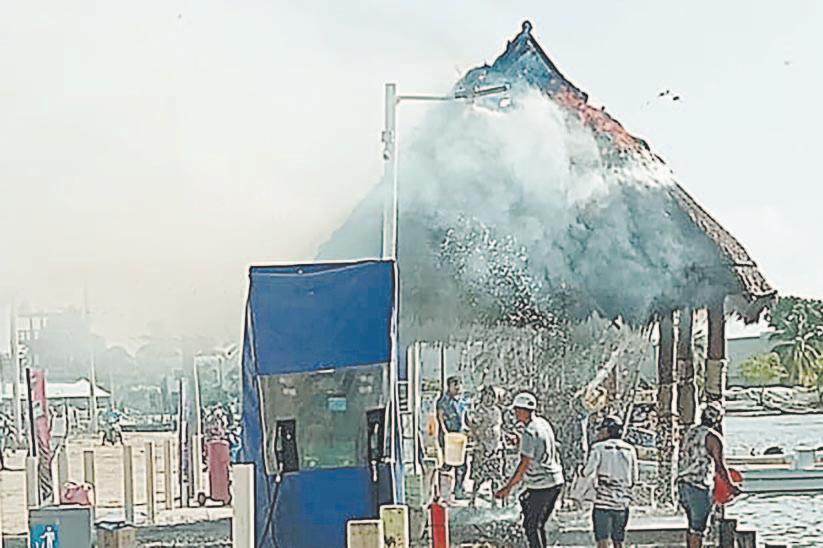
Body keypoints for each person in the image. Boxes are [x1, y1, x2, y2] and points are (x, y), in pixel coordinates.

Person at [494, 392, 565, 548]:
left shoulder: (529, 432)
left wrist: (507, 488)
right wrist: (520, 442)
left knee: (531, 526)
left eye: (516, 410)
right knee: (537, 524)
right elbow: (538, 447)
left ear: (523, 410)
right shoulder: (542, 423)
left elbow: (524, 464)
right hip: (555, 481)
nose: (515, 413)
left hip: (542, 484)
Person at [677, 402, 739, 548]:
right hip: (699, 486)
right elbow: (720, 466)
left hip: (683, 484)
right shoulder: (713, 438)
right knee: (698, 530)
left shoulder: (690, 432)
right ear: (718, 419)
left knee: (692, 527)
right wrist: (731, 486)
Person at [581, 415, 638, 548]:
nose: (599, 433)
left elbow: (587, 472)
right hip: (622, 502)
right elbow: (634, 478)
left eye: (602, 430)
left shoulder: (598, 448)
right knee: (619, 541)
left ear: (608, 431)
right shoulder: (630, 449)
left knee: (602, 541)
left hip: (603, 502)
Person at [465, 385, 504, 507]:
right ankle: (473, 499)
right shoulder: (479, 411)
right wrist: (483, 428)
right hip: (482, 447)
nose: (489, 399)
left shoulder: (497, 411)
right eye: (487, 395)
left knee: (495, 476)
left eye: (492, 396)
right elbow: (474, 429)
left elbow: (499, 427)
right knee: (478, 477)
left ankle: (494, 499)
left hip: (495, 447)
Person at [436, 376, 467, 499]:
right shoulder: (444, 401)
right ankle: (443, 493)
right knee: (447, 465)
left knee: (462, 465)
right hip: (448, 437)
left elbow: (465, 418)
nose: (458, 387)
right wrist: (445, 433)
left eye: (459, 384)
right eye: (455, 384)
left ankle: (458, 489)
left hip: (459, 437)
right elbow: (440, 418)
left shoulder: (462, 401)